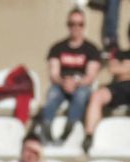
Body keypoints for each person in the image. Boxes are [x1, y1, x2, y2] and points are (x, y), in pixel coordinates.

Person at [83, 19, 130, 153]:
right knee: (97, 96)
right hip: (119, 87)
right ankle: (89, 135)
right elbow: (113, 70)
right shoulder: (119, 53)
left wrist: (126, 68)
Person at [40, 7, 102, 145]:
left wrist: (75, 83)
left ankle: (69, 127)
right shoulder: (57, 48)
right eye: (72, 24)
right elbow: (53, 74)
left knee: (81, 95)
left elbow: (90, 76)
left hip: (81, 85)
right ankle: (46, 126)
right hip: (61, 84)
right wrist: (64, 82)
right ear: (67, 25)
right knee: (52, 94)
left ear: (84, 26)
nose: (76, 27)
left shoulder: (91, 49)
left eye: (80, 24)